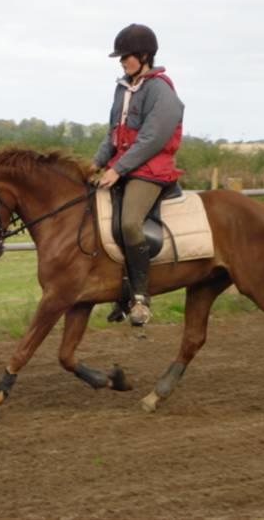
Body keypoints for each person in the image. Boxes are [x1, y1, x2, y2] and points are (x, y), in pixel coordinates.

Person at [93, 23, 185, 326]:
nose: (122, 61)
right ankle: (120, 291)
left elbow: (152, 139)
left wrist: (117, 170)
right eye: (120, 58)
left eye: (126, 56)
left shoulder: (161, 90)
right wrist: (96, 165)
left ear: (144, 55)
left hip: (150, 169)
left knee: (130, 222)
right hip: (124, 165)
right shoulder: (123, 88)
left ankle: (142, 298)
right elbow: (113, 134)